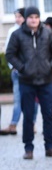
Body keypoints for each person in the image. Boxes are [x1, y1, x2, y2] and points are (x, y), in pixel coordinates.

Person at [5, 6, 52, 159]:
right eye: (31, 17)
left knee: (48, 114)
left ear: (39, 18)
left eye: (36, 17)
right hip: (26, 81)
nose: (34, 20)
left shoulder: (48, 32)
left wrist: (51, 66)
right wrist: (22, 68)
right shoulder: (17, 34)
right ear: (26, 18)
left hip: (46, 80)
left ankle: (49, 146)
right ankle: (28, 148)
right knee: (29, 115)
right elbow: (10, 54)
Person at [0, 8, 25, 136]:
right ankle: (13, 124)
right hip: (17, 71)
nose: (17, 19)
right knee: (18, 99)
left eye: (20, 16)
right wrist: (14, 67)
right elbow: (9, 52)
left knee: (32, 100)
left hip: (30, 73)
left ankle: (31, 124)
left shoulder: (32, 31)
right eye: (16, 16)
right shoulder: (12, 31)